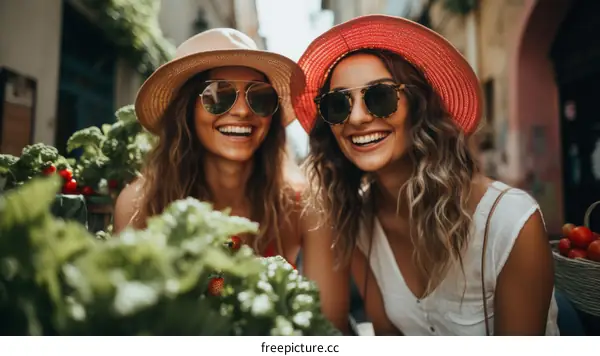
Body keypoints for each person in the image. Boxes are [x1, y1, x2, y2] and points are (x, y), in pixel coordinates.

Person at [292, 15, 559, 336]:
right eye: (337, 105)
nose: (358, 118)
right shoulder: (359, 222)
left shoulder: (510, 222)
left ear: (418, 106)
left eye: (379, 97)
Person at [113, 28, 349, 332]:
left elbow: (329, 330)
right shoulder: (138, 205)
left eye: (259, 98)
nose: (241, 111)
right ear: (186, 111)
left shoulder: (306, 204)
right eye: (218, 96)